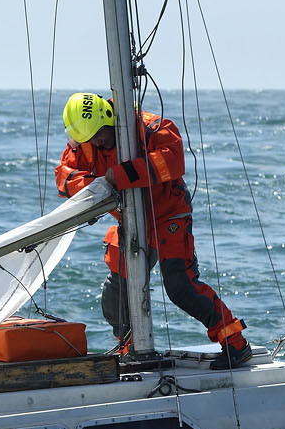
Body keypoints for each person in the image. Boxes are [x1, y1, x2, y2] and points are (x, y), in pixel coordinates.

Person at [55, 92, 253, 369]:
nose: (98, 143)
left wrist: (121, 175)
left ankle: (236, 345)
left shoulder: (149, 126)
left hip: (168, 214)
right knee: (116, 295)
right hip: (130, 219)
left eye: (100, 135)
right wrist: (96, 183)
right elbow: (63, 177)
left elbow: (172, 161)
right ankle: (130, 349)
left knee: (180, 286)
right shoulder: (86, 142)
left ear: (109, 117)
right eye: (91, 140)